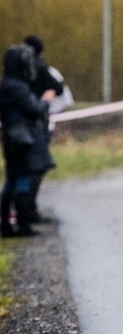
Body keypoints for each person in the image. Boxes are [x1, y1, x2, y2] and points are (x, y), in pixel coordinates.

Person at [0, 45, 56, 237]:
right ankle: (22, 223)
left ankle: (7, 224)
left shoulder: (5, 85)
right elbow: (35, 110)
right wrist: (45, 100)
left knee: (12, 179)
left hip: (11, 138)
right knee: (23, 178)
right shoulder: (18, 88)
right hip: (24, 139)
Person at [22, 35, 64, 223]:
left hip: (22, 126)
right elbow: (58, 88)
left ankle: (23, 210)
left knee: (22, 171)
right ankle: (27, 209)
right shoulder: (38, 68)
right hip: (37, 123)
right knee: (35, 168)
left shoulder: (16, 71)